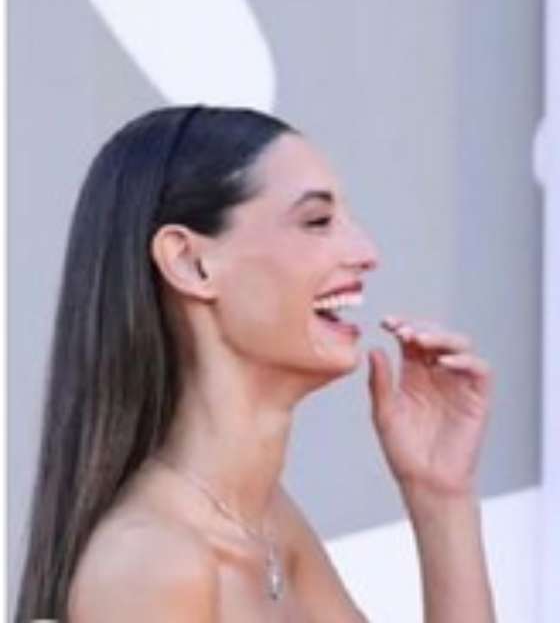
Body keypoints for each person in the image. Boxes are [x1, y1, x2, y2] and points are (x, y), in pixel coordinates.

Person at [15, 106, 496, 622]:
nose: (365, 252)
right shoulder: (152, 563)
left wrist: (440, 493)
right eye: (317, 222)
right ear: (190, 263)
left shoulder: (268, 525)